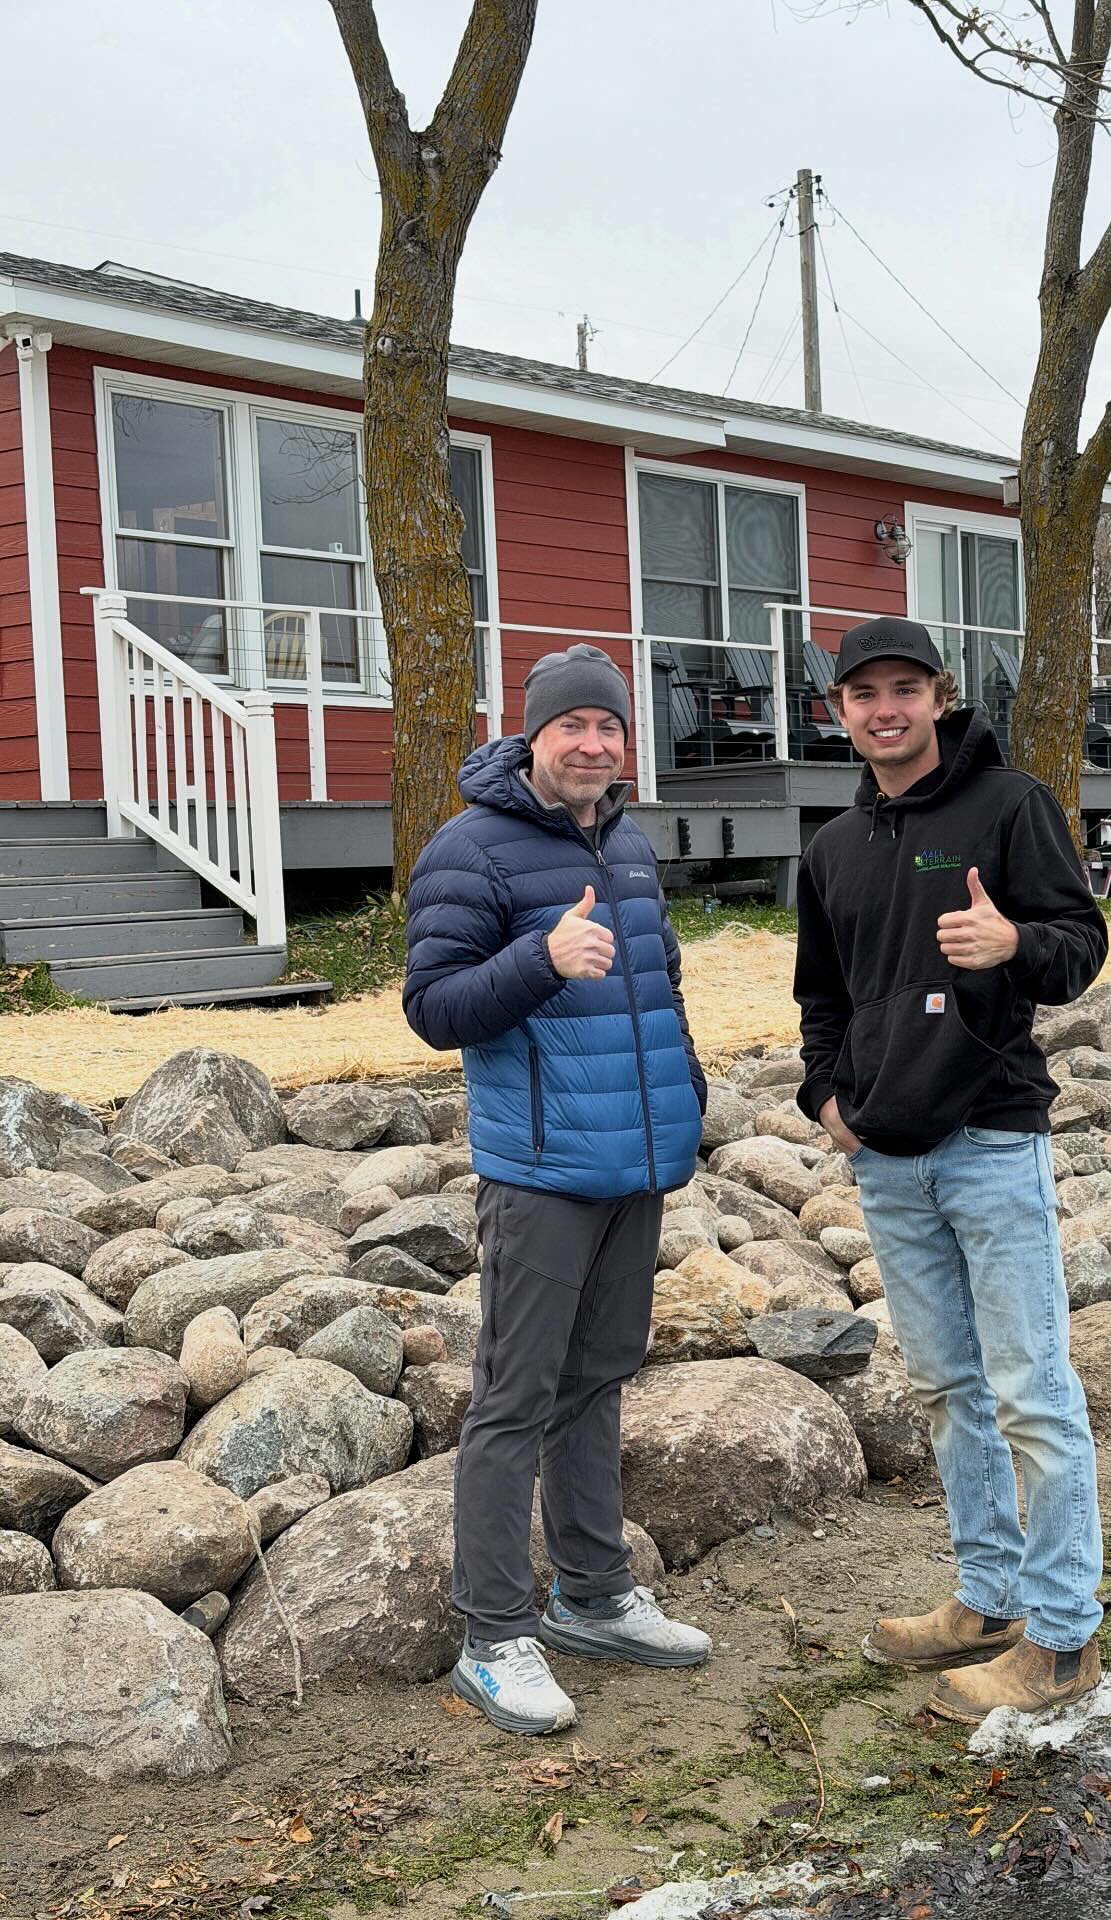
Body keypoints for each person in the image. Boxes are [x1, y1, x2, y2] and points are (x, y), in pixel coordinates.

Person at [793, 615, 1109, 1723]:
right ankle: (988, 1600)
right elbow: (821, 998)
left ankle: (1062, 1639)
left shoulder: (1010, 805)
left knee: (1032, 1391)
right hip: (886, 1158)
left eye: (904, 689)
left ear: (940, 695)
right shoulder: (832, 848)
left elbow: (1079, 948)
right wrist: (827, 1101)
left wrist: (1015, 944)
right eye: (863, 694)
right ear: (839, 712)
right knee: (946, 1389)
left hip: (991, 1139)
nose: (885, 710)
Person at [403, 642, 711, 1737]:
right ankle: (493, 1636)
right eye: (571, 725)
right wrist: (540, 959)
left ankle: (594, 1597)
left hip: (636, 1165)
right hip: (539, 1174)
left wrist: (687, 1095)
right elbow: (432, 1009)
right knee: (513, 1399)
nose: (592, 743)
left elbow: (659, 983)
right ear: (532, 735)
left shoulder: (625, 841)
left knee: (598, 1382)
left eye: (608, 725)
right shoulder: (467, 849)